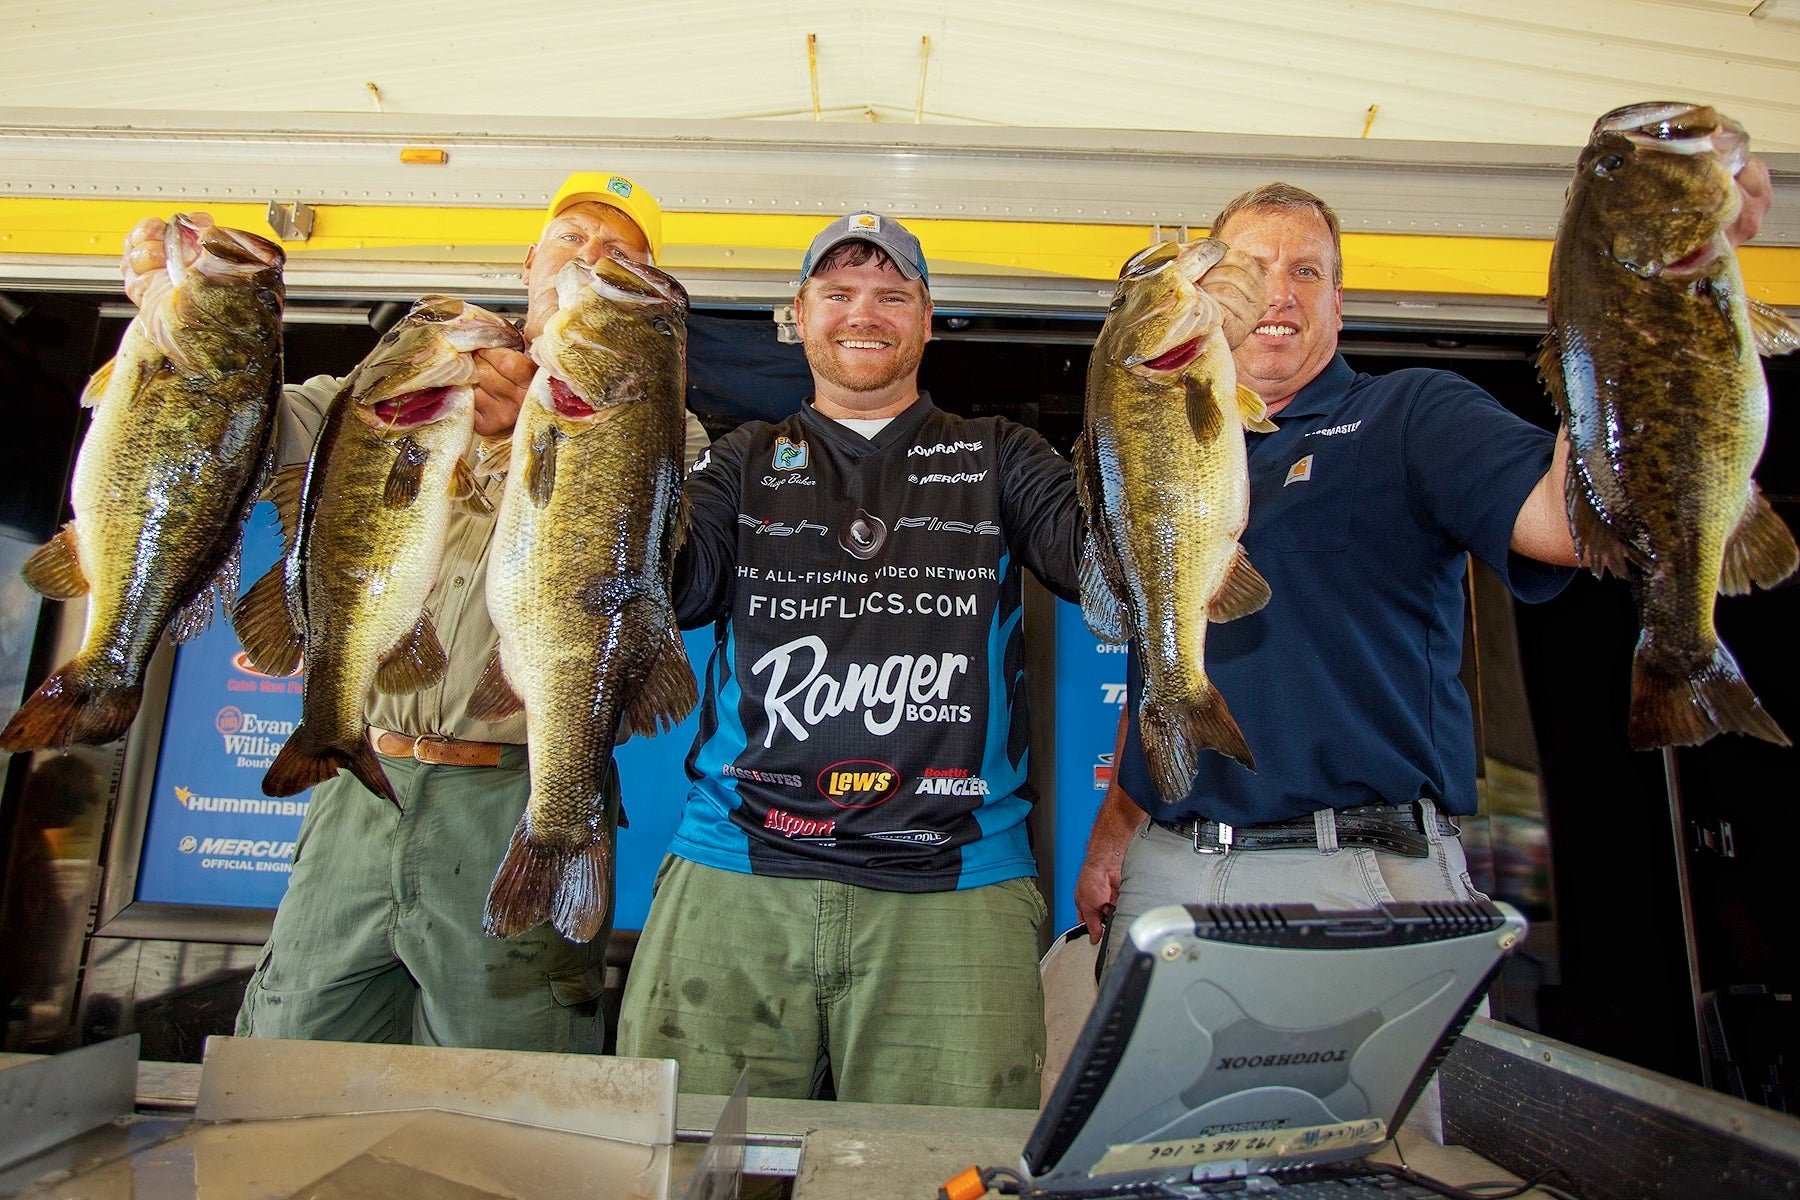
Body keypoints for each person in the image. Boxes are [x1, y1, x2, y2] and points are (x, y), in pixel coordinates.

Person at [1074, 173, 1774, 968]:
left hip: (1354, 873)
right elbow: (1164, 644)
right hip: (1167, 870)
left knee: (1373, 1103)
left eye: (1307, 271)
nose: (1278, 291)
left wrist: (1648, 304)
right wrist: (1115, 828)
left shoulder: (1412, 415)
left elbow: (1569, 521)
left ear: (1339, 304)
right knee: (1154, 1099)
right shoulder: (1155, 435)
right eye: (1250, 265)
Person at [120, 172, 707, 1050]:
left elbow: (643, 579)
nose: (591, 259)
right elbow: (240, 433)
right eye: (574, 239)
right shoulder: (395, 376)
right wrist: (175, 319)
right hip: (362, 785)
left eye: (622, 255)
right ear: (530, 261)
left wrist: (522, 437)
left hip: (512, 787)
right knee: (290, 1051)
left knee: (504, 1088)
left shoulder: (663, 427)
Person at [616, 211, 1082, 1108]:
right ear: (799, 312)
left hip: (955, 883)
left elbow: (1099, 569)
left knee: (937, 1170)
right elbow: (673, 588)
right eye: (838, 294)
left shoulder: (1001, 453)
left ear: (927, 318)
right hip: (738, 866)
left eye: (890, 294)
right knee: (681, 1160)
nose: (862, 314)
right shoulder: (742, 459)